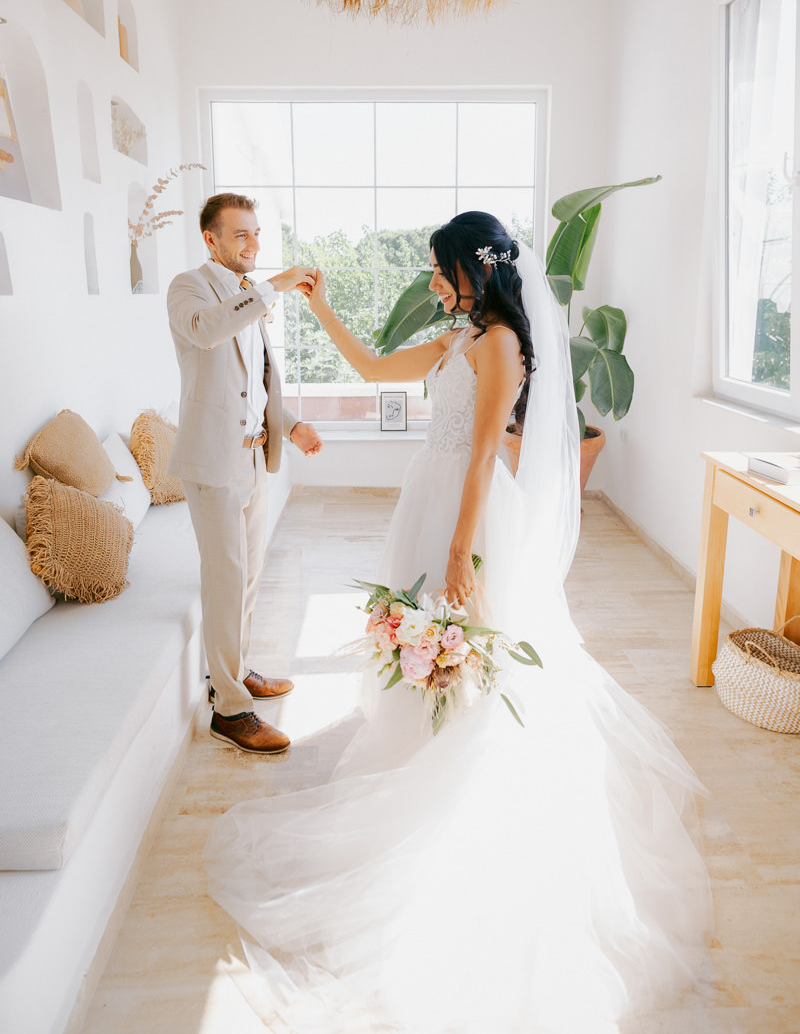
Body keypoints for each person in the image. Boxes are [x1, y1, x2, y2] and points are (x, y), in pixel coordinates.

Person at [204, 212, 711, 1031]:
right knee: (425, 661)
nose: (433, 283)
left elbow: (483, 454)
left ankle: (461, 797)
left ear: (478, 268)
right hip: (428, 502)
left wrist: (459, 554)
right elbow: (371, 368)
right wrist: (322, 306)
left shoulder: (502, 343)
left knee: (474, 659)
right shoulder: (457, 336)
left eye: (441, 269)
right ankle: (417, 757)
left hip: (467, 517)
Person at [167, 193, 322, 755]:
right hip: (212, 462)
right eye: (241, 236)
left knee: (249, 576)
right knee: (226, 577)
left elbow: (252, 383)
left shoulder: (246, 296)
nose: (253, 246)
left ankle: (234, 672)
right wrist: (274, 286)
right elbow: (206, 332)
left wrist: (292, 423)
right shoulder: (188, 288)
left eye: (256, 234)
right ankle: (230, 710)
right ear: (210, 239)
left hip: (254, 456)